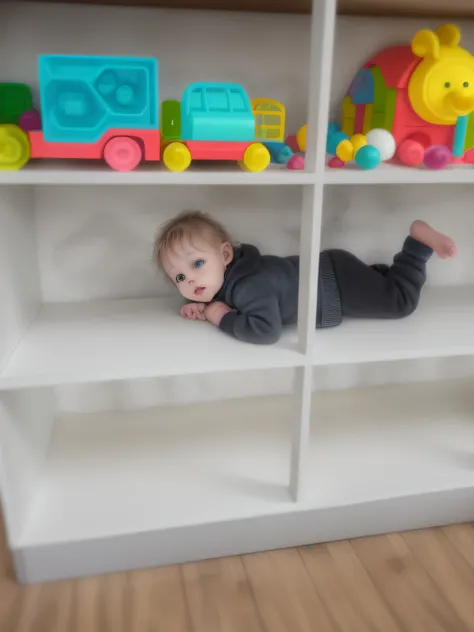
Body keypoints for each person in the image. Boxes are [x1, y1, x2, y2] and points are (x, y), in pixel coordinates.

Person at [153, 210, 457, 345]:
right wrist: (203, 306)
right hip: (333, 272)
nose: (191, 281)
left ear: (226, 256)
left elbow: (265, 332)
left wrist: (221, 319)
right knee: (378, 289)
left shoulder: (248, 286)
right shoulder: (231, 276)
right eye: (179, 277)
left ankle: (417, 245)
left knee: (399, 303)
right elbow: (215, 291)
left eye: (197, 264)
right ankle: (381, 277)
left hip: (334, 286)